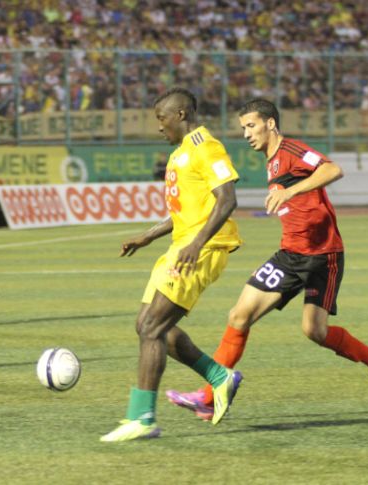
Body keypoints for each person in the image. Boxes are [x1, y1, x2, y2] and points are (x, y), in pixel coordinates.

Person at [165, 98, 368, 420]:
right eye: (243, 128)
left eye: (251, 125)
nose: (246, 133)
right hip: (289, 255)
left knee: (314, 331)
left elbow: (333, 169)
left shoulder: (291, 151)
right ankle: (209, 395)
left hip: (322, 256)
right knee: (239, 315)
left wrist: (291, 191)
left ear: (270, 124)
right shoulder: (271, 161)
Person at [100, 88, 243, 443]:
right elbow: (185, 211)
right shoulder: (181, 153)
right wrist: (149, 236)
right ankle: (219, 377)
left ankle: (142, 417)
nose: (159, 127)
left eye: (162, 119)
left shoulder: (204, 145)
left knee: (152, 326)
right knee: (149, 327)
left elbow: (227, 199)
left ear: (180, 114)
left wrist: (197, 243)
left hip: (201, 249)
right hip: (182, 246)